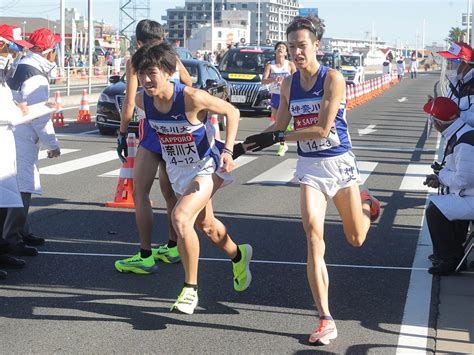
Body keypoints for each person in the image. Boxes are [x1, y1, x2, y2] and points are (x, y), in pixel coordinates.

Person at [243, 15, 380, 345]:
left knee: (356, 239)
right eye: (291, 47)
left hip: (340, 165)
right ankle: (325, 318)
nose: (296, 53)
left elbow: (320, 129)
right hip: (310, 168)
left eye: (301, 46)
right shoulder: (289, 83)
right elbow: (280, 124)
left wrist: (277, 137)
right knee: (313, 237)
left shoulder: (333, 79)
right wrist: (242, 145)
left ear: (316, 46)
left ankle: (368, 205)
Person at [132, 42, 252, 315]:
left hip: (206, 166)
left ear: (168, 71)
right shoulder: (143, 100)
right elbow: (160, 137)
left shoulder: (191, 97)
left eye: (151, 72)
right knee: (207, 226)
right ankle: (238, 254)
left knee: (180, 217)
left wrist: (229, 150)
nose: (146, 79)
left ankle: (190, 289)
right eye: (141, 73)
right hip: (178, 169)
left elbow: (232, 112)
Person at [114, 20, 193, 274]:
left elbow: (129, 101)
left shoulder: (137, 61)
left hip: (152, 130)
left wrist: (123, 132)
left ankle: (145, 254)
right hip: (177, 129)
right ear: (162, 37)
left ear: (138, 42)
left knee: (140, 193)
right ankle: (172, 246)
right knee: (171, 192)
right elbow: (189, 86)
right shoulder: (172, 59)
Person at [3, 28, 61, 257]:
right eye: (55, 48)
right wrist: (52, 145)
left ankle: (21, 232)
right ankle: (13, 238)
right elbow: (39, 116)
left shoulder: (19, 64)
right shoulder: (37, 75)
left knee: (12, 186)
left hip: (11, 131)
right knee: (22, 187)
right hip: (22, 134)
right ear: (48, 52)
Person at [422, 97, 474, 275]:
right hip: (468, 193)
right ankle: (449, 251)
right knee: (444, 205)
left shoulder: (464, 141)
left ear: (438, 122)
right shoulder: (460, 133)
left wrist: (442, 176)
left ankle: (450, 259)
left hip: (470, 194)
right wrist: (440, 178)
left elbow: (463, 180)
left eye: (431, 118)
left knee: (434, 211)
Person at [261, 41, 296, 156]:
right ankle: (282, 145)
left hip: (287, 96)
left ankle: (288, 131)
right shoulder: (270, 65)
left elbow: (297, 78)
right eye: (278, 48)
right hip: (275, 96)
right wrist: (273, 80)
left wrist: (287, 82)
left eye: (283, 48)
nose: (280, 49)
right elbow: (263, 80)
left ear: (286, 52)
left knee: (282, 123)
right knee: (277, 123)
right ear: (275, 51)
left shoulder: (290, 65)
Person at [437, 41, 474, 127]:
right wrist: (437, 106)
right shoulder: (456, 82)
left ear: (465, 64)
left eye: (452, 63)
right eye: (448, 62)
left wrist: (457, 113)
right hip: (456, 136)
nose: (449, 67)